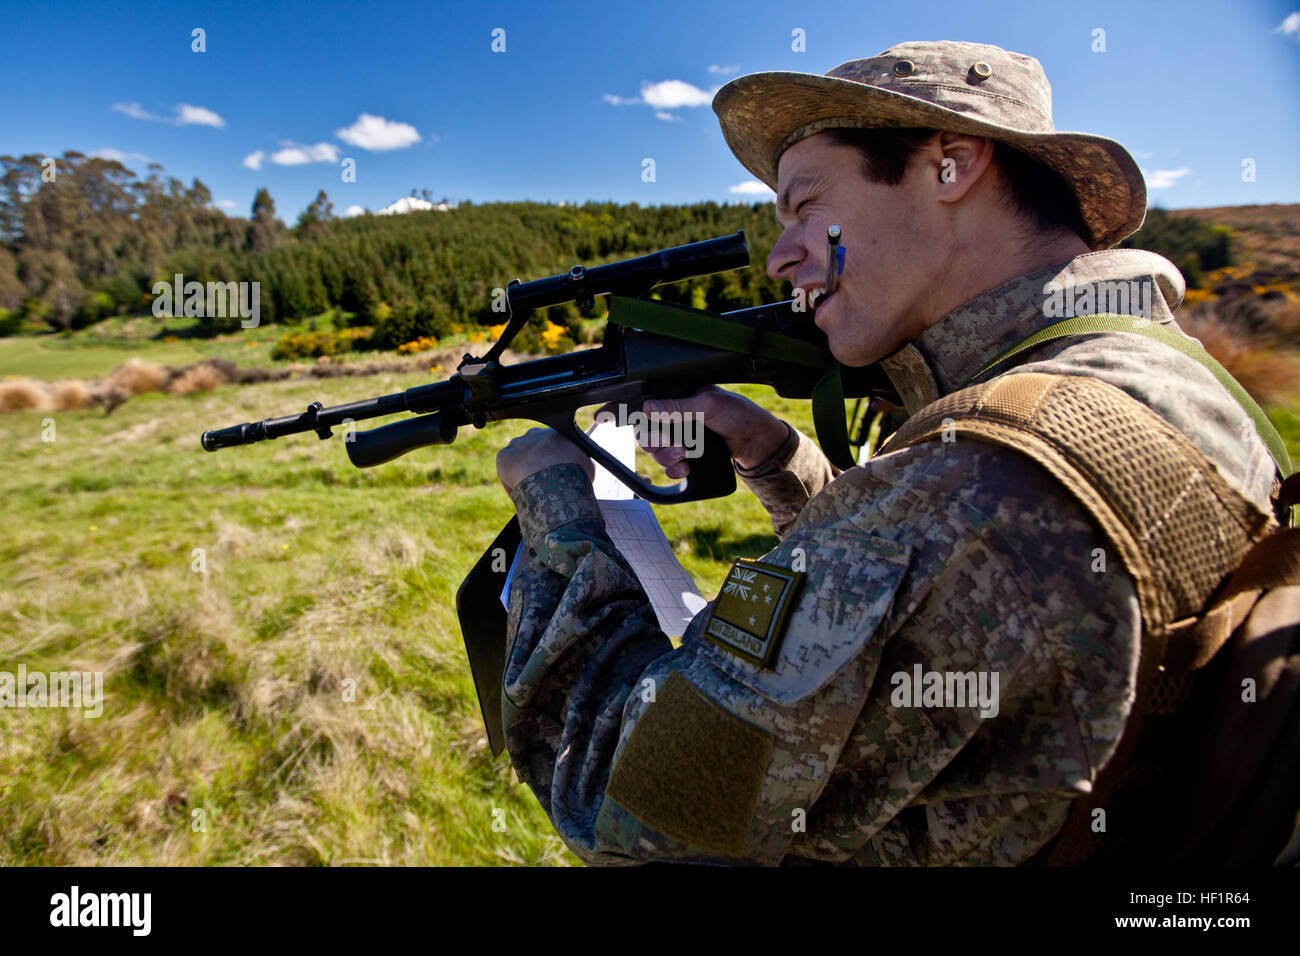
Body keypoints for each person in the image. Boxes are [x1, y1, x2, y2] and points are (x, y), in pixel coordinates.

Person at [493, 41, 1277, 865]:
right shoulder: (1147, 371)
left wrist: (557, 504)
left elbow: (633, 803)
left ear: (953, 164)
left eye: (804, 206)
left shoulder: (972, 489)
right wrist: (776, 458)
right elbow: (927, 576)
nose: (781, 256)